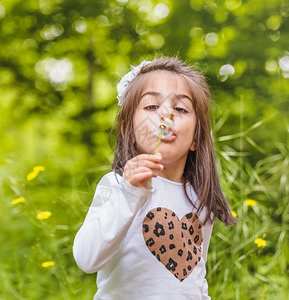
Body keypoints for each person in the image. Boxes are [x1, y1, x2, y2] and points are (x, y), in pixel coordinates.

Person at [73, 57, 236, 299]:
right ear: (127, 129)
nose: (166, 114)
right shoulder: (117, 185)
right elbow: (87, 259)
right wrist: (130, 194)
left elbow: (194, 278)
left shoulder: (198, 196)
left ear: (195, 139)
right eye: (151, 107)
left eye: (180, 109)